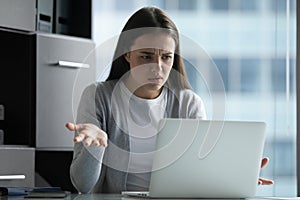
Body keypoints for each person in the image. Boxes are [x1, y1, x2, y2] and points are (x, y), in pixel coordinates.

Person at [66, 6, 273, 194]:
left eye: (166, 57)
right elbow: (83, 186)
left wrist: (234, 178)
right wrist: (95, 146)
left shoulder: (188, 103)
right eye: (146, 56)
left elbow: (198, 175)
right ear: (127, 54)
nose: (157, 67)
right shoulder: (97, 96)